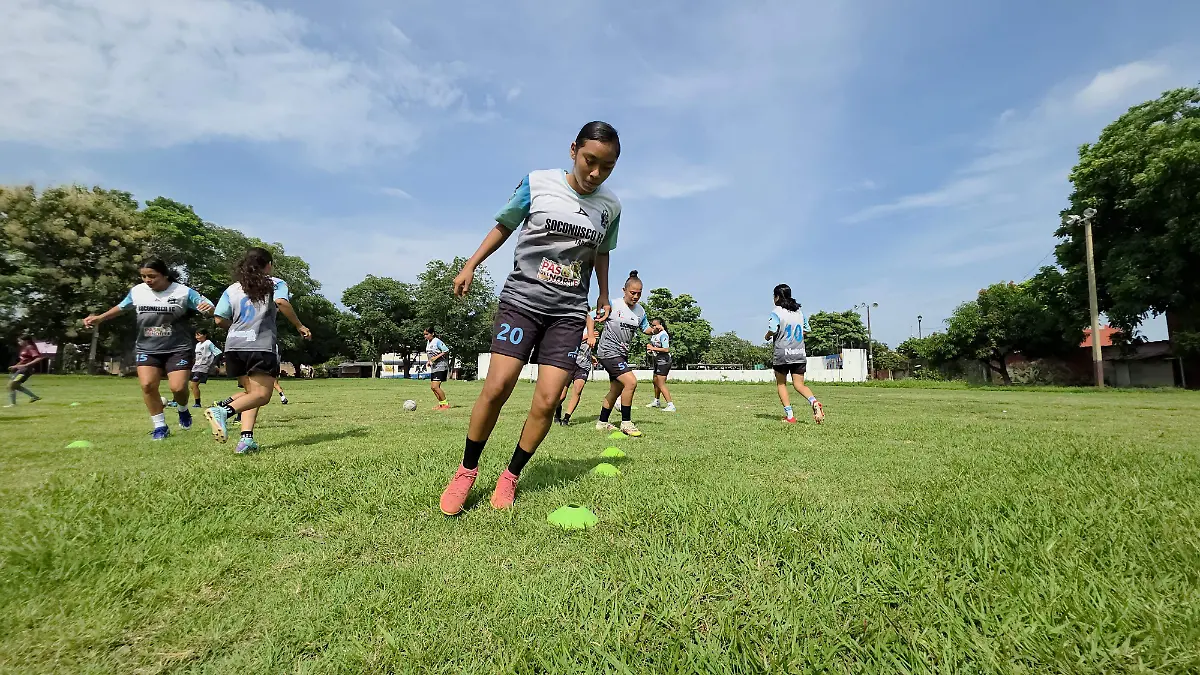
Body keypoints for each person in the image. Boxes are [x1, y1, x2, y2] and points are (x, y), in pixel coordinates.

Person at [439, 121, 622, 515]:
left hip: (569, 312)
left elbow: (602, 252)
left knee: (548, 399)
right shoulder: (537, 183)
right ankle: (467, 471)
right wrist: (470, 264)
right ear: (573, 149)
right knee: (498, 386)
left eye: (606, 167)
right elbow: (504, 226)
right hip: (522, 301)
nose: (595, 173)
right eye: (590, 161)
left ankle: (510, 477)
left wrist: (604, 292)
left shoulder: (611, 207)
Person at [84, 259, 214, 439]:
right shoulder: (137, 291)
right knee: (147, 385)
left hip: (177, 347)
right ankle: (160, 426)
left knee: (177, 388)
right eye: (144, 276)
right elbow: (122, 307)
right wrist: (100, 318)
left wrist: (209, 308)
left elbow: (210, 307)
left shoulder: (183, 292)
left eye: (152, 276)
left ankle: (183, 409)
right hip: (147, 347)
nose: (147, 280)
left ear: (165, 275)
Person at [204, 248, 310, 453]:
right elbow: (281, 301)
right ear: (268, 265)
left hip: (234, 346)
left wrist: (238, 330)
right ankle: (223, 411)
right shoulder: (276, 283)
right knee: (262, 395)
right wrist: (299, 326)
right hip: (260, 346)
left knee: (250, 393)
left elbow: (218, 319)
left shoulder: (232, 288)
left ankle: (246, 440)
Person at [594, 270, 654, 437]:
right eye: (632, 293)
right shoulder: (613, 305)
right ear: (624, 290)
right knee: (631, 382)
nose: (635, 296)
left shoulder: (640, 311)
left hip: (621, 354)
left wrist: (654, 330)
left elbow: (645, 328)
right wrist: (591, 334)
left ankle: (602, 422)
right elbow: (590, 316)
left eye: (639, 293)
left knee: (616, 389)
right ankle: (626, 422)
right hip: (607, 352)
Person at [765, 283, 824, 424]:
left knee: (781, 384)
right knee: (799, 385)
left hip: (782, 353)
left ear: (777, 297)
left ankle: (790, 416)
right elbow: (807, 330)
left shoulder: (777, 311)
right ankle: (814, 402)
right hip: (799, 352)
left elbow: (773, 329)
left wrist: (767, 336)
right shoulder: (799, 312)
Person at [555, 313, 598, 426]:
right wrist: (587, 337)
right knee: (561, 395)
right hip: (570, 362)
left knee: (578, 390)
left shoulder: (592, 330)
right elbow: (566, 344)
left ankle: (566, 418)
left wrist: (591, 357)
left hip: (584, 364)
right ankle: (557, 412)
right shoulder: (572, 328)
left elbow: (587, 346)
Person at [645, 317, 676, 412]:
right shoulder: (655, 335)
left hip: (664, 361)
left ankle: (671, 405)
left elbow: (666, 349)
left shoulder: (663, 335)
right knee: (655, 381)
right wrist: (650, 349)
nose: (653, 327)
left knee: (660, 383)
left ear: (660, 325)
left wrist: (653, 348)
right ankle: (656, 401)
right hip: (657, 360)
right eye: (652, 325)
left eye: (655, 325)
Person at [6, 335, 46, 407]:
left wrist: (27, 365)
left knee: (11, 385)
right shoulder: (25, 348)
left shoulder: (30, 347)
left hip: (25, 370)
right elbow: (23, 360)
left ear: (26, 341)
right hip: (22, 369)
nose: (19, 342)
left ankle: (13, 404)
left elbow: (38, 358)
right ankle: (34, 397)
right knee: (15, 386)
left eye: (20, 341)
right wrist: (15, 366)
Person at [190, 329, 222, 408]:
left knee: (194, 384)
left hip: (203, 366)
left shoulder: (208, 343)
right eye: (196, 335)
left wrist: (214, 364)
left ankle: (197, 403)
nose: (197, 336)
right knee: (192, 385)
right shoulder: (198, 345)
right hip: (196, 366)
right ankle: (197, 403)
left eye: (199, 334)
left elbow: (218, 353)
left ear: (205, 335)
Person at [424, 327, 451, 410]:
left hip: (441, 366)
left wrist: (436, 358)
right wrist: (429, 361)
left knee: (435, 386)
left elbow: (446, 350)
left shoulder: (437, 341)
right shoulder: (428, 342)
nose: (425, 336)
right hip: (434, 367)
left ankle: (446, 404)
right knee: (432, 387)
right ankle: (441, 404)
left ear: (432, 334)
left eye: (427, 334)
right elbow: (431, 355)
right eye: (424, 334)